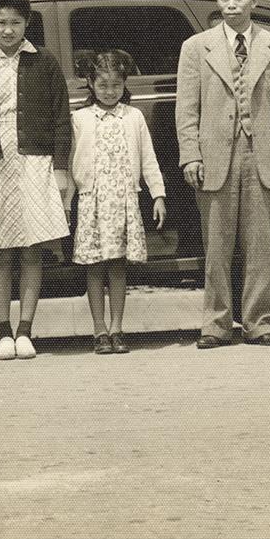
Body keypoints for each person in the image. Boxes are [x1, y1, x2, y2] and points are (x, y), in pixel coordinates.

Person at [175, 0, 270, 348]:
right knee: (217, 245)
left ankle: (260, 323)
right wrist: (190, 154)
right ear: (217, 2)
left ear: (254, 1)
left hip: (260, 153)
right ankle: (216, 324)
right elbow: (187, 108)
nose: (231, 5)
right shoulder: (196, 47)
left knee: (261, 245)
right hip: (214, 156)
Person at [0, 0, 73, 360]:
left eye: (15, 22)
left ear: (27, 23)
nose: (8, 30)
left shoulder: (45, 61)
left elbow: (61, 120)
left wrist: (60, 169)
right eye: (1, 22)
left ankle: (26, 329)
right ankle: (2, 332)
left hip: (34, 165)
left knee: (30, 250)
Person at [70, 50, 166, 354]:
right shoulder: (80, 118)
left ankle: (117, 328)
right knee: (94, 268)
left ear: (124, 84)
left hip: (124, 200)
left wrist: (158, 194)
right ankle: (99, 330)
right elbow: (73, 163)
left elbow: (148, 158)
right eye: (102, 85)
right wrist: (66, 204)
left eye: (115, 85)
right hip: (92, 202)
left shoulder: (133, 116)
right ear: (91, 84)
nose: (109, 91)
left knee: (118, 267)